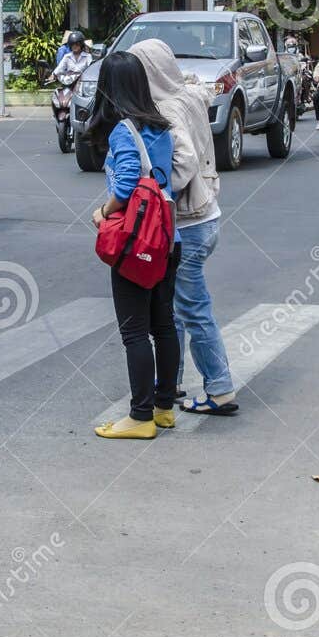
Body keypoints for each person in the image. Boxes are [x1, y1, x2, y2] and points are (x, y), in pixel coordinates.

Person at [131, 38, 237, 417]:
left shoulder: (166, 109)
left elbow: (182, 163)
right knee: (172, 305)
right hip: (207, 214)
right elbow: (201, 86)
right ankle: (170, 382)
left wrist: (152, 189)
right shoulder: (190, 95)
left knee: (192, 309)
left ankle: (220, 389)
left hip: (188, 221)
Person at [88, 52, 181, 440]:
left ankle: (140, 417)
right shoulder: (160, 125)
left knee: (134, 332)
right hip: (167, 240)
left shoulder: (123, 131)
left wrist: (101, 212)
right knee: (164, 325)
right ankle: (163, 408)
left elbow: (126, 185)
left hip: (136, 244)